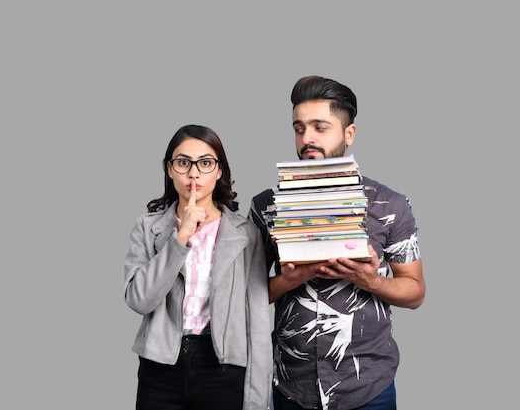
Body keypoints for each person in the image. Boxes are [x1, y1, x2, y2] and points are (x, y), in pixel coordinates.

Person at [248, 76, 426, 410]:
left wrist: (369, 279)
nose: (307, 139)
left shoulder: (390, 205)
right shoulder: (265, 206)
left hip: (368, 385)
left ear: (349, 134)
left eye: (320, 127)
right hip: (292, 385)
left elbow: (415, 292)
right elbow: (246, 297)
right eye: (299, 128)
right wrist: (292, 277)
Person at [124, 124, 272, 410]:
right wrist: (180, 237)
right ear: (169, 170)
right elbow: (139, 300)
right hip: (160, 365)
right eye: (183, 163)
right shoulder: (147, 227)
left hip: (224, 367)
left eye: (205, 163)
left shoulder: (246, 234)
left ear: (219, 171)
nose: (193, 173)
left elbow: (257, 320)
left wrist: (256, 401)